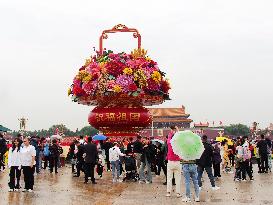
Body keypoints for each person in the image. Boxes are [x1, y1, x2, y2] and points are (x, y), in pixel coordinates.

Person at [166, 126, 182, 198]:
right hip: (177, 162)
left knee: (169, 178)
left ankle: (168, 192)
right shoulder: (178, 143)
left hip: (170, 162)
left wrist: (171, 131)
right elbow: (179, 137)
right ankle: (178, 193)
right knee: (177, 179)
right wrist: (177, 130)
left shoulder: (169, 143)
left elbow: (169, 137)